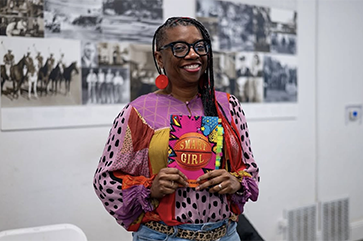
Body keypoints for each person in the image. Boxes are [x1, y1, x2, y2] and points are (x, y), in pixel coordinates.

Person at [93, 17, 259, 241]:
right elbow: (105, 182)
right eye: (180, 48)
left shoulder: (228, 106)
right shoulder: (139, 112)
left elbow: (250, 169)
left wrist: (236, 182)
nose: (192, 54)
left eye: (200, 46)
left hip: (225, 235)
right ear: (160, 57)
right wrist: (150, 188)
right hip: (165, 237)